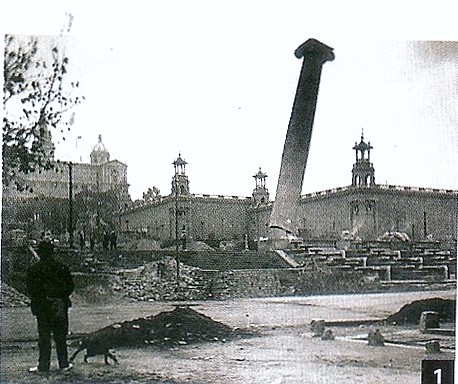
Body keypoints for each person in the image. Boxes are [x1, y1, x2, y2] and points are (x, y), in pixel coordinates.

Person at [26, 240, 74, 374]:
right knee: (60, 337)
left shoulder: (35, 269)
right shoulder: (61, 267)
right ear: (52, 252)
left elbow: (30, 289)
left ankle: (43, 366)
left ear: (40, 253)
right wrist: (59, 297)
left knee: (44, 338)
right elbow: (70, 286)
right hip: (59, 306)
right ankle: (64, 364)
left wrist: (40, 300)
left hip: (42, 307)